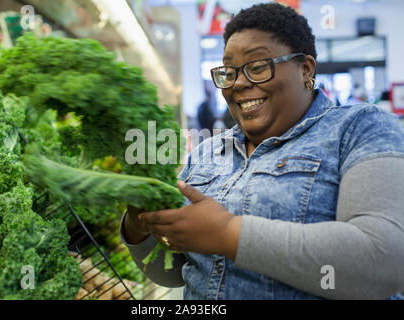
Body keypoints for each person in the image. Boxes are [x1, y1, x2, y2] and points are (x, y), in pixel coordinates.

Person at [120, 3, 404, 300]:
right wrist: (139, 225)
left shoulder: (360, 129)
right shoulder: (206, 153)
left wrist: (228, 234)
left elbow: (382, 262)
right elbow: (176, 272)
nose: (239, 83)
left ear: (305, 69)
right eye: (229, 72)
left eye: (257, 67)